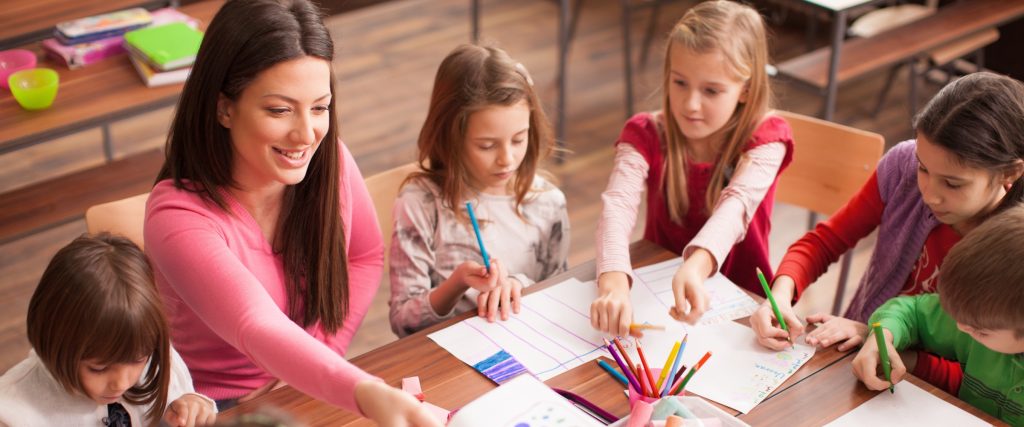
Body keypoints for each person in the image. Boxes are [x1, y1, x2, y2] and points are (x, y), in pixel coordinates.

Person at [143, 0, 438, 424]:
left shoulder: (329, 160)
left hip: (309, 377)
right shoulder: (176, 217)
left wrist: (320, 355)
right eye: (280, 110)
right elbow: (255, 324)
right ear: (224, 108)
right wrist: (367, 392)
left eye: (319, 107)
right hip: (207, 408)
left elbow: (363, 255)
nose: (306, 135)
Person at [751, 72, 1024, 394]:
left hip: (938, 392)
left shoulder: (1014, 247)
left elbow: (987, 378)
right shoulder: (902, 168)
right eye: (923, 167)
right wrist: (780, 295)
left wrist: (873, 336)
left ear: (1010, 173)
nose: (929, 194)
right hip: (860, 360)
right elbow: (824, 241)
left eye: (952, 184)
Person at [591, 0, 793, 336]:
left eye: (711, 90)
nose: (690, 104)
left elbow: (736, 207)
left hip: (745, 308)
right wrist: (613, 283)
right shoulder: (644, 133)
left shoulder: (767, 139)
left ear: (745, 90)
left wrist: (696, 266)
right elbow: (618, 205)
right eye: (679, 82)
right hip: (656, 297)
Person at [388, 44, 569, 337]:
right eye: (486, 145)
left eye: (519, 139)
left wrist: (520, 286)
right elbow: (402, 321)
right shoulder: (419, 203)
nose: (506, 159)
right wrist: (457, 283)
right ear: (451, 138)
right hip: (448, 355)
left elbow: (561, 297)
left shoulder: (549, 203)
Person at [0, 233, 216, 426]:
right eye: (99, 368)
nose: (121, 383)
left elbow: (179, 402)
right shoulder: (13, 412)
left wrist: (193, 406)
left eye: (138, 360)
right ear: (51, 342)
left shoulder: (148, 348)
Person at [852, 205, 1024, 426]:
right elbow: (911, 311)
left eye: (981, 332)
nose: (960, 328)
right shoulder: (979, 317)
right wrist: (882, 336)